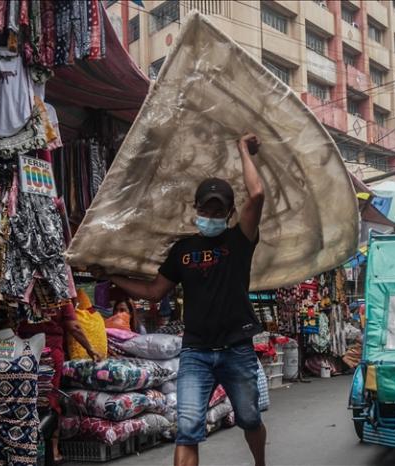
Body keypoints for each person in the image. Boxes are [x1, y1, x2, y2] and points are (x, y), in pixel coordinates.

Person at [91, 133, 266, 466]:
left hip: (236, 348)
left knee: (249, 418)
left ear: (229, 212)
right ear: (196, 209)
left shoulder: (239, 241)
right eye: (206, 207)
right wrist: (111, 276)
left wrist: (243, 149)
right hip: (196, 352)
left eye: (218, 208)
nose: (210, 213)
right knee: (187, 430)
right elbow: (155, 291)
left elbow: (256, 195)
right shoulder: (182, 250)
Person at [18, 290, 103, 465]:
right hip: (49, 350)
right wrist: (90, 348)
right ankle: (53, 450)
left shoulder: (21, 289)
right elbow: (74, 326)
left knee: (25, 397)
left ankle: (26, 445)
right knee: (49, 398)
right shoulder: (58, 294)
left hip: (21, 349)